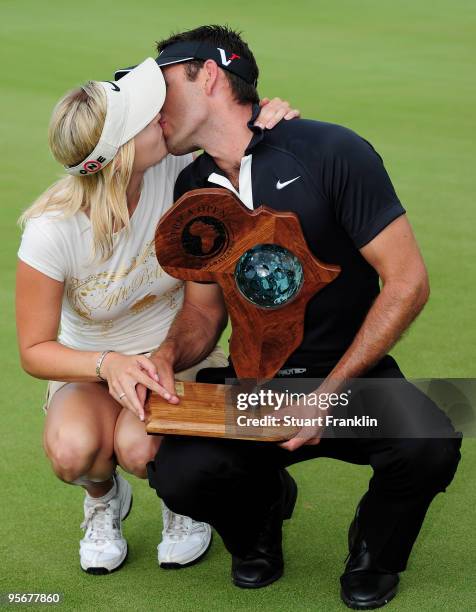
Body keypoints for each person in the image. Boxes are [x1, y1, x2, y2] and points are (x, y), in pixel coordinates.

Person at [120, 27, 463, 609]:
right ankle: (258, 526)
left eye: (164, 83)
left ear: (208, 75)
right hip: (255, 391)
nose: (153, 104)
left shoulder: (332, 151)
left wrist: (329, 393)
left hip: (346, 381)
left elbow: (408, 282)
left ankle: (374, 549)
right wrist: (165, 355)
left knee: (432, 441)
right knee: (180, 472)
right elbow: (203, 316)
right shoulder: (192, 183)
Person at [15, 57, 299, 574]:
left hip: (178, 350)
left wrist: (267, 119)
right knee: (73, 452)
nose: (161, 119)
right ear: (120, 156)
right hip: (92, 366)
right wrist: (109, 364)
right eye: (146, 120)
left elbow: (231, 128)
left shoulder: (177, 171)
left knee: (140, 447)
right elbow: (34, 351)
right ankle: (103, 500)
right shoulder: (50, 231)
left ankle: (180, 500)